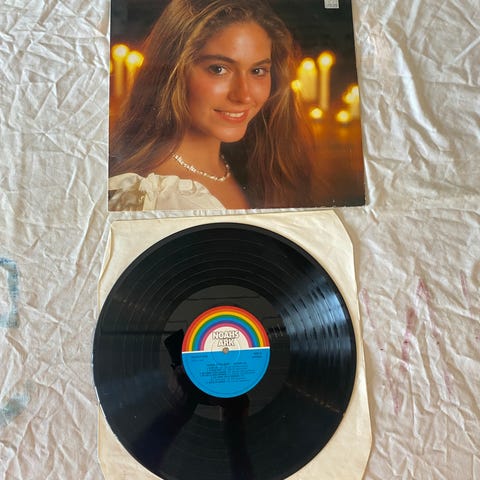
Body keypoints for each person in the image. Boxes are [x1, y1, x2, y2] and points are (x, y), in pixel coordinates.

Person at [109, 0, 315, 211]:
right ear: (172, 72)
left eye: (257, 71)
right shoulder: (159, 199)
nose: (244, 95)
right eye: (218, 69)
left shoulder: (252, 170)